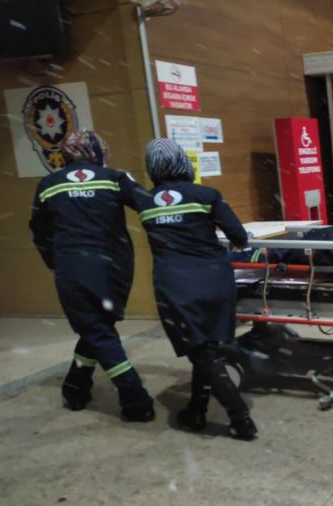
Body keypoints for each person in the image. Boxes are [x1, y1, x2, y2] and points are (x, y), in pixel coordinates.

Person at [29, 130, 155, 421]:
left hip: (72, 269)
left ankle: (130, 396)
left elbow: (39, 232)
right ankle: (80, 388)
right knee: (98, 327)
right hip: (115, 269)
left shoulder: (49, 185)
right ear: (98, 151)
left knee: (96, 329)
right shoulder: (115, 178)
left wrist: (55, 262)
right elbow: (149, 206)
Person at [137, 139, 256, 440]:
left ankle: (239, 417)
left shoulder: (144, 201)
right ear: (182, 162)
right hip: (214, 280)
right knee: (207, 349)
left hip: (175, 283)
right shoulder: (206, 195)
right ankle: (198, 411)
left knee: (201, 350)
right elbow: (239, 237)